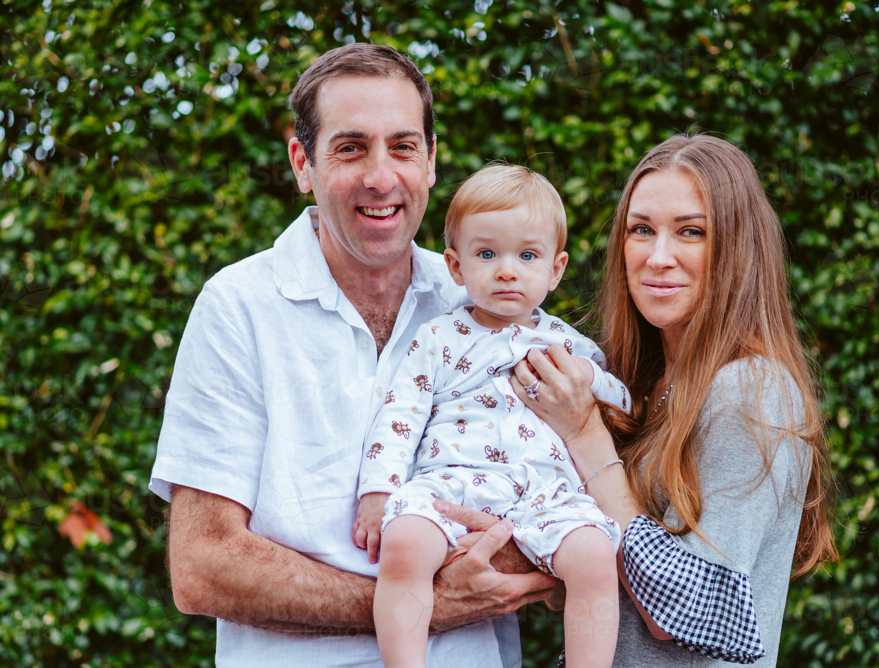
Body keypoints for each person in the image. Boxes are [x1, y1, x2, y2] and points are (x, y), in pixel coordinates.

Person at [150, 44, 555, 668]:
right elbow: (204, 565)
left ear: (431, 161)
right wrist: (415, 605)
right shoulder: (239, 306)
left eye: (403, 147)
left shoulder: (482, 301)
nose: (380, 177)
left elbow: (563, 504)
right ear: (302, 164)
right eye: (350, 148)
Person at [436, 133, 839, 666]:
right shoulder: (641, 381)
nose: (658, 257)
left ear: (738, 249)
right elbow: (612, 561)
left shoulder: (750, 389)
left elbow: (690, 611)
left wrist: (585, 434)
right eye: (641, 230)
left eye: (691, 231)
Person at [352, 164, 629, 668]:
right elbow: (400, 415)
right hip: (452, 483)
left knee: (594, 556)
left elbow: (620, 406)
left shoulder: (567, 345)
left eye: (527, 256)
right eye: (486, 254)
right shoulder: (438, 338)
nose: (507, 270)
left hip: (543, 492)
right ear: (455, 266)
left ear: (556, 269)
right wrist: (378, 491)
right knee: (405, 545)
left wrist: (590, 378)